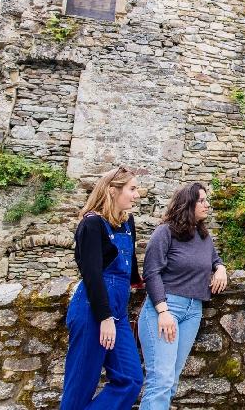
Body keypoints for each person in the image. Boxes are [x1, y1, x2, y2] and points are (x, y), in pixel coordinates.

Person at [138, 183, 228, 409]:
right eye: (202, 201)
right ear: (187, 204)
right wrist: (163, 310)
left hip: (193, 311)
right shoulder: (165, 232)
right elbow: (151, 272)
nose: (207, 205)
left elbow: (214, 260)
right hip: (165, 308)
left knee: (172, 381)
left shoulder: (203, 236)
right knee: (161, 380)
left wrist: (221, 269)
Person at [61, 166, 144, 410]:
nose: (136, 195)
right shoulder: (92, 225)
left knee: (131, 379)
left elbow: (131, 268)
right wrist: (104, 317)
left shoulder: (128, 221)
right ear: (112, 190)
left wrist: (142, 283)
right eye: (132, 189)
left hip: (116, 312)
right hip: (92, 311)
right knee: (79, 387)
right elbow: (92, 275)